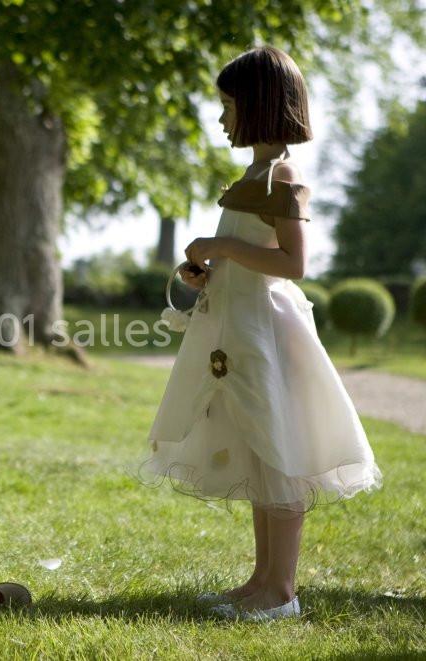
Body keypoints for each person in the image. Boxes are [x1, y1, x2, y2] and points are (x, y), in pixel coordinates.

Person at [141, 45, 382, 621]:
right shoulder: (251, 174)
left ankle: (283, 591)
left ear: (256, 106)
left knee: (277, 447)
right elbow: (253, 257)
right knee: (255, 447)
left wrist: (222, 246)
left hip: (264, 334)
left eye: (227, 106)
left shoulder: (283, 174)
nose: (222, 118)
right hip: (234, 326)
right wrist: (206, 273)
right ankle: (260, 580)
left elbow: (294, 264)